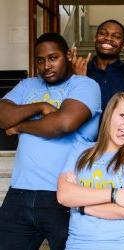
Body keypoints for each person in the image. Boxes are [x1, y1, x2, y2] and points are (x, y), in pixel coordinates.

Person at [0, 33, 101, 250]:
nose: (46, 65)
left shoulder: (85, 85)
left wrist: (19, 126)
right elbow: (1, 115)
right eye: (40, 60)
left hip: (65, 194)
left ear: (68, 56)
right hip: (19, 192)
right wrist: (39, 106)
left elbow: (62, 125)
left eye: (53, 58)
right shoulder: (28, 85)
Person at [57, 92, 124, 250]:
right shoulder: (80, 150)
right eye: (123, 115)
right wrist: (116, 195)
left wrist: (81, 206)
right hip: (81, 244)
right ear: (109, 115)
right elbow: (63, 196)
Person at [72, 19, 124, 119]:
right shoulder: (80, 71)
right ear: (95, 38)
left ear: (123, 46)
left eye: (116, 36)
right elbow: (73, 114)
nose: (108, 38)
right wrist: (79, 80)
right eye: (102, 33)